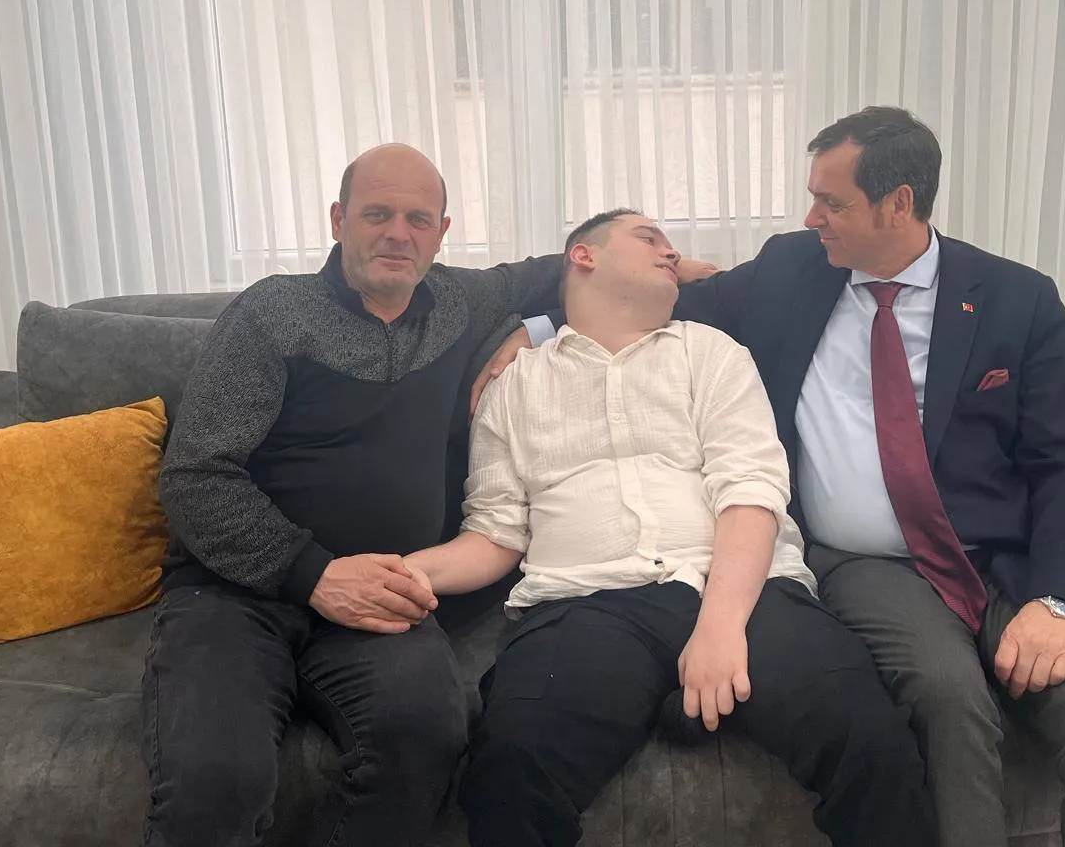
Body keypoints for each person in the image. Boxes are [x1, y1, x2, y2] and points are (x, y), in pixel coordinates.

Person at [482, 109, 1065, 847]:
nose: (812, 218)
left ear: (898, 203)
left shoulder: (1015, 297)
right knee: (945, 697)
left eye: (831, 203)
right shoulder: (792, 269)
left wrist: (1061, 599)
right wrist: (535, 328)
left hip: (1009, 555)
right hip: (869, 565)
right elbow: (643, 299)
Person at [143, 145, 720, 847]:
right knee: (216, 779)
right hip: (235, 597)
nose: (398, 234)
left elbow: (558, 269)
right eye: (377, 215)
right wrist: (315, 575)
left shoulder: (457, 301)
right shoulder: (273, 313)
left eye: (418, 220)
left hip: (392, 591)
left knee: (427, 745)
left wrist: (671, 268)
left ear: (442, 233)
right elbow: (195, 475)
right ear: (338, 220)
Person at [414, 210, 936, 847]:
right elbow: (495, 533)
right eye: (648, 239)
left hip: (746, 592)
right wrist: (403, 572)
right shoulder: (514, 384)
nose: (671, 253)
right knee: (508, 771)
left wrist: (719, 628)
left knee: (874, 745)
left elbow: (751, 491)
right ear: (583, 256)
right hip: (586, 603)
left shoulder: (711, 352)